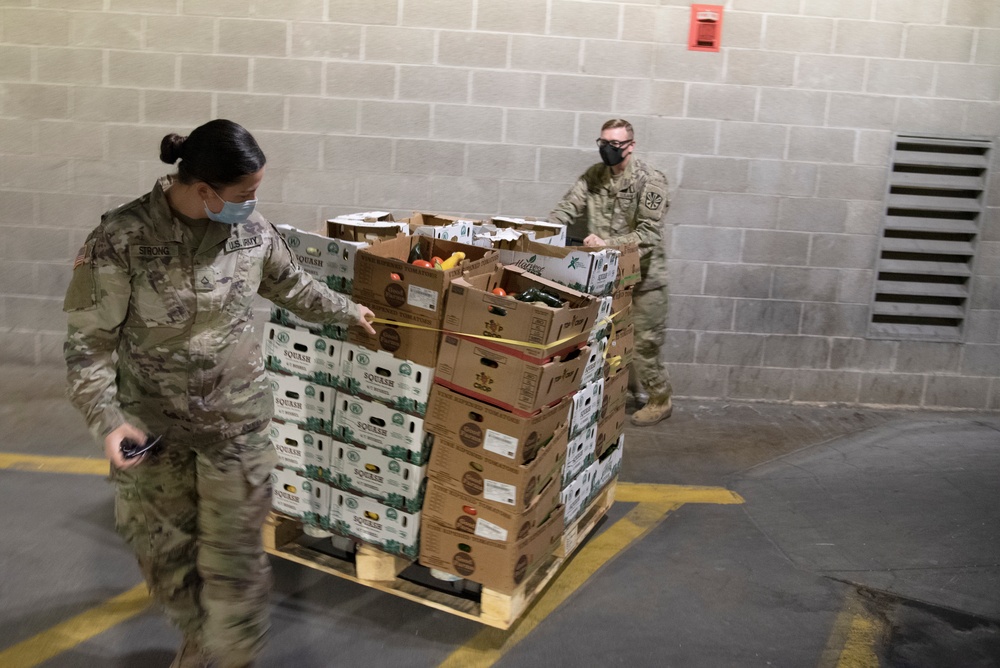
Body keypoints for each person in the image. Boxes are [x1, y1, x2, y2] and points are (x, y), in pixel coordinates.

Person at [63, 119, 376, 668]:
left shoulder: (251, 230)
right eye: (243, 194)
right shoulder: (122, 239)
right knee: (167, 560)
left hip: (236, 428)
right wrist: (108, 422)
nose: (251, 204)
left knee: (236, 568)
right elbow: (87, 347)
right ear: (204, 189)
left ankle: (226, 659)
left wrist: (350, 312)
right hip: (152, 433)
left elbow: (293, 286)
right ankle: (202, 647)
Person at [549, 118, 673, 426]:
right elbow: (568, 206)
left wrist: (609, 242)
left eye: (615, 145)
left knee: (644, 343)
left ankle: (660, 398)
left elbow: (649, 233)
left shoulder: (650, 180)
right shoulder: (594, 176)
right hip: (607, 277)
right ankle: (622, 396)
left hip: (645, 280)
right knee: (609, 342)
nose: (608, 150)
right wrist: (547, 229)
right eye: (603, 143)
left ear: (630, 146)